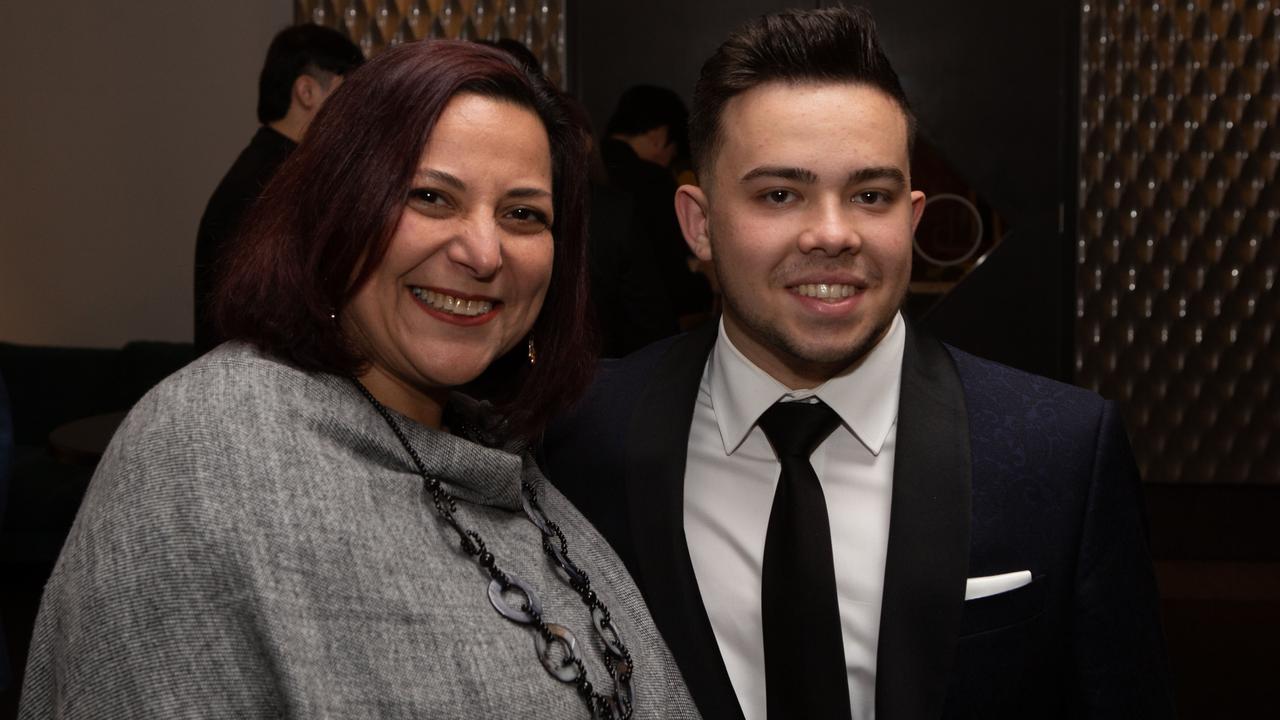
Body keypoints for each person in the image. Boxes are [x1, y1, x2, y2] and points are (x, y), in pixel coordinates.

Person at [20, 40, 699, 719]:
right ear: (338, 209)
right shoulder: (209, 446)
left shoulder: (495, 446)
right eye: (431, 197)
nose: (484, 252)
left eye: (523, 214)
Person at [542, 7, 1173, 720]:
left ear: (910, 217)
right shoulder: (581, 435)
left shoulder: (1060, 452)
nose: (833, 234)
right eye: (779, 194)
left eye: (870, 196)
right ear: (699, 223)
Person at [193, 24, 363, 354]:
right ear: (307, 92)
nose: (355, 112)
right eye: (346, 94)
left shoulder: (265, 167)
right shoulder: (279, 183)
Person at [601, 85, 712, 327]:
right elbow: (675, 281)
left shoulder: (582, 170)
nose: (670, 163)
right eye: (672, 154)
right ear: (659, 137)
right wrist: (705, 283)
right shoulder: (652, 181)